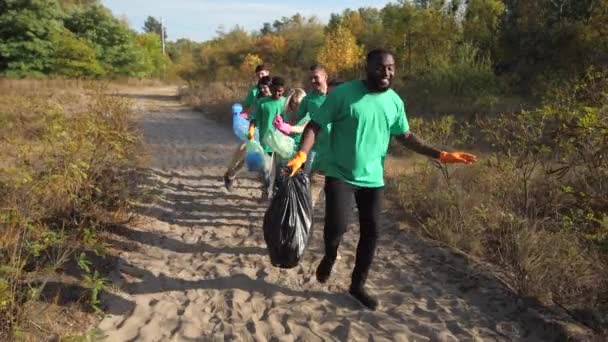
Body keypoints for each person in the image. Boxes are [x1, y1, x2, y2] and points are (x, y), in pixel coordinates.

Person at [285, 49, 478, 310]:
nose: (386, 72)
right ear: (368, 68)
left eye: (390, 68)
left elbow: (406, 136)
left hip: (373, 179)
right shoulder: (343, 94)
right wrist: (301, 154)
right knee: (336, 229)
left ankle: (357, 285)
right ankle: (330, 256)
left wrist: (441, 154)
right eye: (380, 67)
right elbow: (314, 126)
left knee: (372, 232)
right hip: (340, 173)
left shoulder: (394, 102)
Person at [224, 76, 272, 192]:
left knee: (265, 166)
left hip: (268, 136)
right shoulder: (258, 98)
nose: (263, 90)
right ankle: (230, 173)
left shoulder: (279, 100)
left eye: (265, 87)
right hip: (251, 132)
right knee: (240, 157)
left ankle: (265, 193)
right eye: (261, 87)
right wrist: (242, 117)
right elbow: (249, 110)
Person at [248, 76, 287, 200]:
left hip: (282, 142)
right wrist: (251, 130)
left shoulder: (286, 102)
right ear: (271, 88)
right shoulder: (263, 103)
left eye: (280, 91)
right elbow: (254, 118)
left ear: (283, 90)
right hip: (266, 142)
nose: (277, 93)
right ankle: (265, 190)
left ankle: (276, 195)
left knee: (280, 171)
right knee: (266, 170)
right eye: (275, 90)